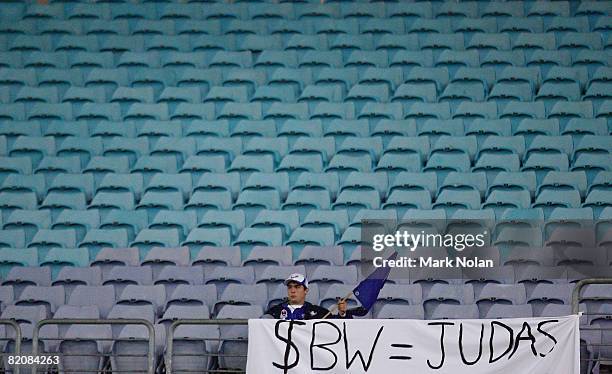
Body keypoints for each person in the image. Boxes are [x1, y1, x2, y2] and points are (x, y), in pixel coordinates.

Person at [265, 273, 354, 320]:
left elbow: (340, 329)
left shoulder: (319, 312)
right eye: (290, 287)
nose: (292, 290)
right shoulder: (275, 311)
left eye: (297, 287)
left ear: (306, 290)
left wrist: (343, 313)